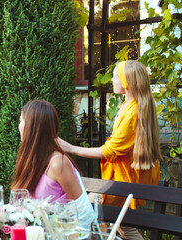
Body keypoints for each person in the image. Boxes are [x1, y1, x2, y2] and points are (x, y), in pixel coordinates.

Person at [58, 60, 162, 239]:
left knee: (88, 209)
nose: (112, 81)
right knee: (122, 226)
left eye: (115, 77)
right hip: (123, 177)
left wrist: (70, 147)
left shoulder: (133, 112)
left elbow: (109, 151)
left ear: (126, 82)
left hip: (123, 179)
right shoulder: (129, 105)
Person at [12, 100, 94, 230]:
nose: (19, 126)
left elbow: (84, 215)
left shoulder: (58, 164)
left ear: (32, 127)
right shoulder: (32, 160)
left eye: (21, 121)